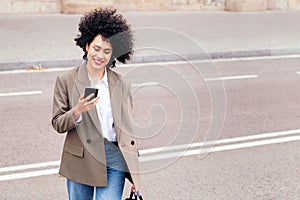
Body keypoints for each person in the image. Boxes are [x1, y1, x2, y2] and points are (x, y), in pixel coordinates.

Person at [51, 8, 140, 200]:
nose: (100, 56)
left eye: (107, 51)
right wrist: (77, 111)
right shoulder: (66, 80)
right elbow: (57, 123)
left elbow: (127, 130)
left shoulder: (121, 83)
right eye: (96, 48)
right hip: (81, 158)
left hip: (113, 159)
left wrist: (135, 177)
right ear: (86, 46)